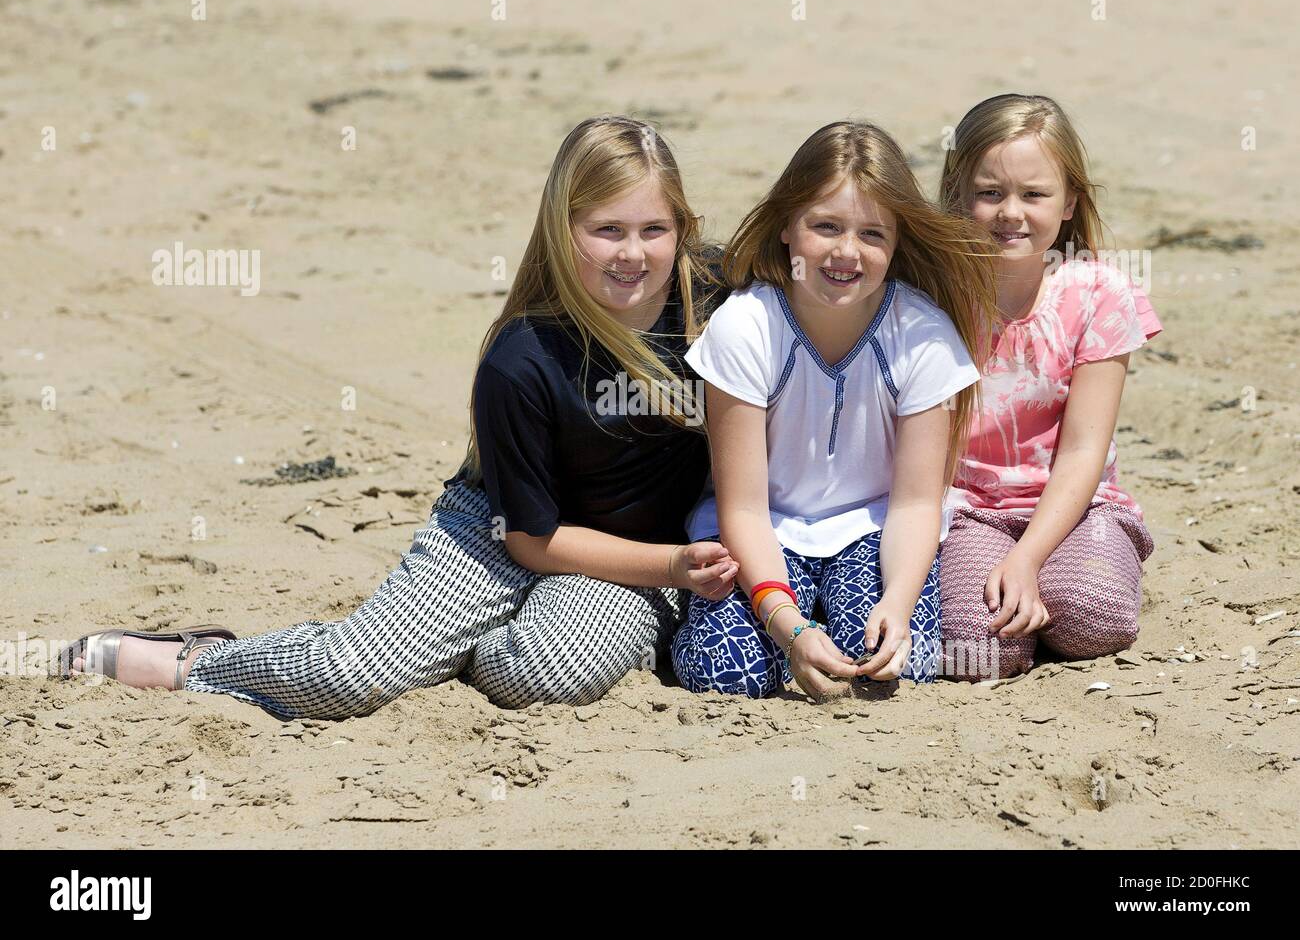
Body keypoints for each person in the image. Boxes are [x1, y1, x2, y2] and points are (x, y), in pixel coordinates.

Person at [59, 115, 739, 718]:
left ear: (683, 228)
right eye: (607, 230)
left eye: (655, 229)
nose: (633, 254)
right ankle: (194, 663)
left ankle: (458, 652)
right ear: (564, 233)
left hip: (634, 560)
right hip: (506, 530)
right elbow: (531, 541)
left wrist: (673, 565)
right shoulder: (522, 355)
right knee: (351, 676)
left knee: (546, 671)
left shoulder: (717, 300)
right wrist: (677, 566)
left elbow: (823, 252)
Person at [671, 120, 996, 701]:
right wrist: (788, 626)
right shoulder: (748, 326)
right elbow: (742, 507)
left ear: (898, 244)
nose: (847, 252)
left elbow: (918, 501)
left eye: (873, 234)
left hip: (872, 528)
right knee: (729, 675)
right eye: (825, 227)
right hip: (764, 528)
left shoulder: (921, 333)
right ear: (788, 230)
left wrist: (899, 601)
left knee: (896, 665)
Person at [936, 94, 1163, 679]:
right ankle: (1028, 599)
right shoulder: (932, 298)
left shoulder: (1098, 294)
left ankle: (1082, 570)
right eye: (990, 193)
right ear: (958, 196)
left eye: (1034, 194)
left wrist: (1028, 557)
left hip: (1074, 505)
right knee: (982, 649)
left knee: (1091, 618)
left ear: (1068, 204)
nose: (1011, 211)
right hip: (968, 510)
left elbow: (1085, 450)